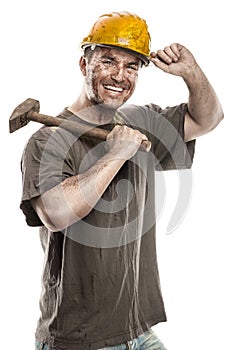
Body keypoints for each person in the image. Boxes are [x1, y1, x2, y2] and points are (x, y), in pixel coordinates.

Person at [20, 11, 223, 350]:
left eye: (131, 67)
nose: (120, 75)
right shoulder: (47, 141)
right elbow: (56, 213)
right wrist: (117, 154)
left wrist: (191, 72)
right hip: (81, 338)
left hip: (138, 330)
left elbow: (207, 118)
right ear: (84, 65)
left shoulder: (141, 121)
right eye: (108, 61)